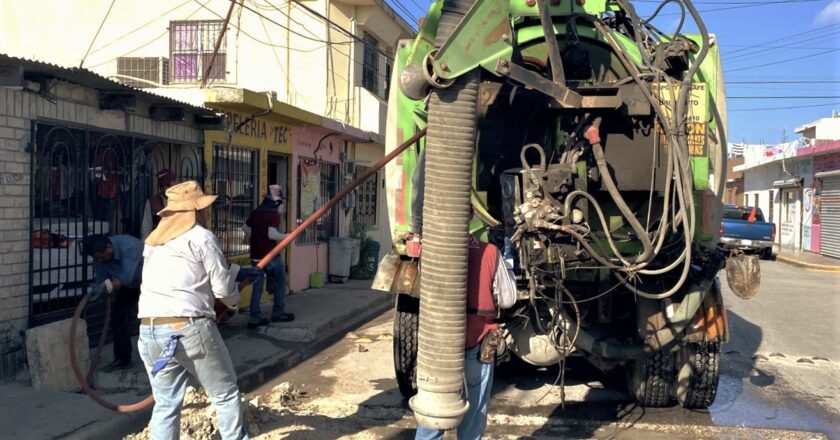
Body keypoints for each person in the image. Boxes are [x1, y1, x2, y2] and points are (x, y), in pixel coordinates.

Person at [138, 181, 248, 440]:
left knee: (166, 403)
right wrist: (236, 296)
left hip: (150, 330)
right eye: (203, 208)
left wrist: (233, 272)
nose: (206, 213)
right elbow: (222, 290)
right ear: (195, 211)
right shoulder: (201, 237)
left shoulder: (153, 242)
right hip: (187, 327)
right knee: (225, 393)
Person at [415, 237, 516, 440]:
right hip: (477, 341)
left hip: (439, 345)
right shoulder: (490, 252)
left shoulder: (431, 249)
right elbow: (508, 300)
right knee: (474, 412)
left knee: (435, 409)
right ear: (470, 214)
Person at [81, 233, 144, 372]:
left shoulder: (129, 247)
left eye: (103, 256)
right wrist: (98, 289)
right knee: (118, 316)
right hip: (131, 286)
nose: (102, 260)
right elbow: (102, 277)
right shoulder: (100, 255)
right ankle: (122, 358)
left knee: (152, 318)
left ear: (109, 247)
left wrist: (106, 287)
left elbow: (125, 278)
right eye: (99, 258)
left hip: (149, 281)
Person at [243, 184, 295, 329]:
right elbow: (271, 234)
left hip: (255, 255)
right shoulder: (273, 214)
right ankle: (278, 313)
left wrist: (256, 237)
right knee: (280, 282)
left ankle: (254, 317)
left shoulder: (257, 212)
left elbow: (245, 227)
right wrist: (287, 236)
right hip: (270, 256)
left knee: (257, 286)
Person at [141, 168, 176, 240]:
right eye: (167, 185)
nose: (170, 188)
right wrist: (146, 246)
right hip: (159, 243)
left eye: (171, 184)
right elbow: (146, 227)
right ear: (160, 187)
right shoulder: (152, 202)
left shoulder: (182, 200)